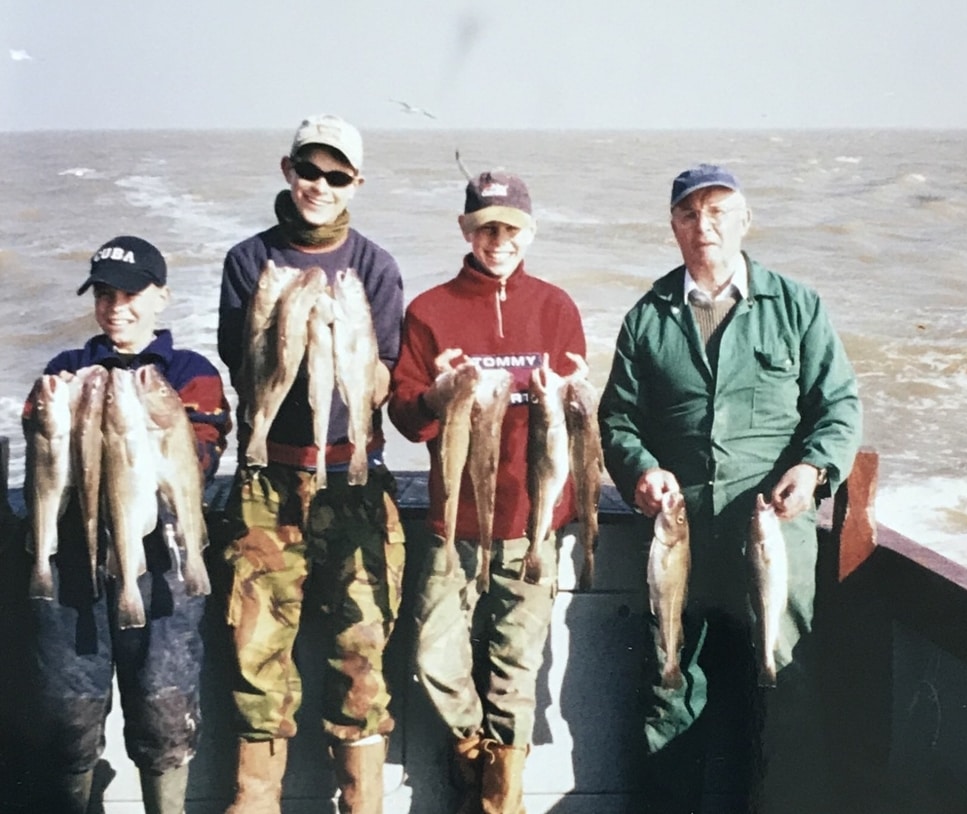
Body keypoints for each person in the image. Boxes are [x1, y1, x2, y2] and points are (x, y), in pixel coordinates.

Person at [598, 164, 863, 814]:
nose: (703, 225)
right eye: (689, 214)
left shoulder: (797, 307)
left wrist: (814, 468)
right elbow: (618, 419)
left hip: (773, 537)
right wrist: (640, 471)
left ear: (745, 221)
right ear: (673, 227)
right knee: (671, 688)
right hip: (681, 537)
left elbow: (840, 405)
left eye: (718, 211)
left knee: (784, 689)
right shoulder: (647, 319)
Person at [216, 114, 406, 814]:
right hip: (269, 482)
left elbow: (384, 376)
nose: (319, 186)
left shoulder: (376, 268)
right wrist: (289, 325)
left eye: (336, 175)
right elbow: (243, 371)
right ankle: (253, 803)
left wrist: (342, 341)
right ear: (286, 169)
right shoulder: (248, 262)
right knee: (257, 657)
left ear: (357, 182)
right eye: (308, 170)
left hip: (353, 481)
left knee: (361, 656)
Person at [387, 169, 587, 813]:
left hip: (532, 524)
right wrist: (438, 395)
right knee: (431, 655)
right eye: (487, 228)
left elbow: (579, 421)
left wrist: (578, 394)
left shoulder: (555, 308)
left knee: (517, 667)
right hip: (456, 524)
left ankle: (503, 797)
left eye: (512, 229)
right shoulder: (429, 311)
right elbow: (406, 416)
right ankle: (475, 751)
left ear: (530, 232)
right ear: (466, 230)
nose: (499, 241)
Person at [25, 235, 231, 814]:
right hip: (75, 572)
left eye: (132, 293)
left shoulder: (189, 374)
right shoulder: (66, 369)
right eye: (105, 295)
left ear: (161, 296)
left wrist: (143, 417)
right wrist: (49, 405)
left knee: (164, 715)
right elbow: (43, 453)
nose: (117, 306)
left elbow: (206, 453)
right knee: (70, 716)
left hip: (160, 571)